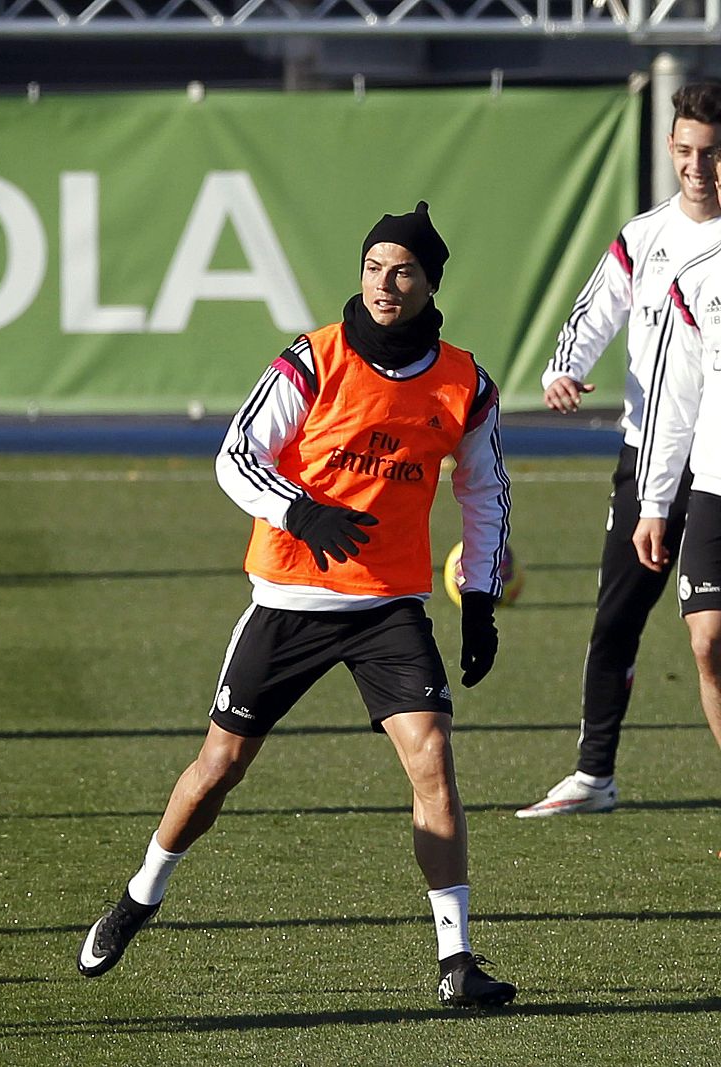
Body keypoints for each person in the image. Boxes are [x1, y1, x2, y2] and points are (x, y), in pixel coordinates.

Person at [76, 203, 518, 1010]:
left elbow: (485, 493)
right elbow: (236, 455)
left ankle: (457, 959)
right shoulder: (313, 360)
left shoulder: (465, 383)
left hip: (389, 605)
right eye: (374, 265)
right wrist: (300, 511)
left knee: (433, 763)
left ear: (429, 283)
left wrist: (480, 598)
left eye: (404, 270)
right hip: (290, 596)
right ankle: (141, 894)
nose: (386, 283)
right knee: (218, 771)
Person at [517, 82, 721, 819]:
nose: (697, 166)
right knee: (616, 620)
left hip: (717, 465)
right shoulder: (644, 238)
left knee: (710, 637)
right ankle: (593, 774)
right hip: (646, 458)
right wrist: (564, 368)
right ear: (669, 148)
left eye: (712, 152)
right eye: (686, 150)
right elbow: (593, 309)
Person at [629, 192, 721, 762]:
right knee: (708, 642)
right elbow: (674, 401)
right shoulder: (696, 279)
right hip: (713, 484)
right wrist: (654, 502)